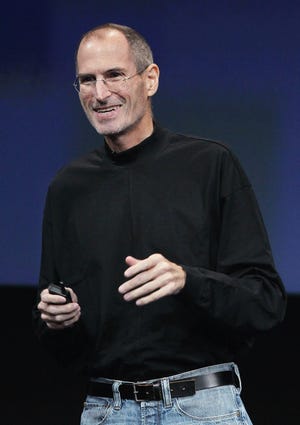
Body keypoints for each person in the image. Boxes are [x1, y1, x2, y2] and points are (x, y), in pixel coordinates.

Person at [32, 23, 286, 425]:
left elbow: (265, 302)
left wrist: (186, 279)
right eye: (87, 80)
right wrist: (57, 321)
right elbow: (60, 344)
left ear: (150, 79)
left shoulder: (210, 165)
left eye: (114, 75)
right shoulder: (67, 188)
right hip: (107, 409)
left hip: (201, 406)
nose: (100, 94)